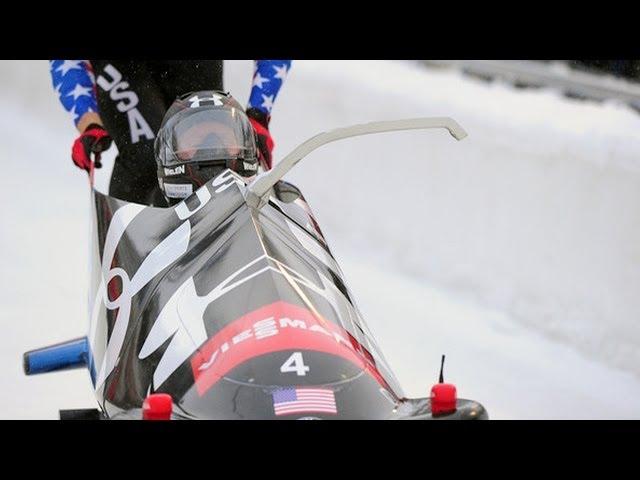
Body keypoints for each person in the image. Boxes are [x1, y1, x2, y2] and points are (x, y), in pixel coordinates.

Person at [49, 60, 291, 205]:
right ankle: (129, 262)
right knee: (146, 156)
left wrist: (258, 115)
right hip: (124, 67)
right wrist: (89, 120)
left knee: (213, 153)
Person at [154, 90, 259, 205]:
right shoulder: (141, 220)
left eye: (224, 138)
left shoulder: (278, 203)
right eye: (196, 141)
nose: (214, 149)